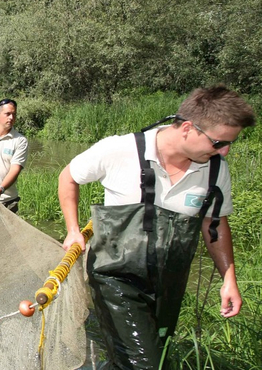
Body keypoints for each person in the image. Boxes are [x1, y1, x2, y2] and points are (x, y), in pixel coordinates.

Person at [58, 85, 254, 369]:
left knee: (152, 354)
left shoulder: (215, 168)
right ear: (188, 128)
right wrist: (73, 229)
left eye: (229, 144)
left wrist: (229, 278)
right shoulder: (120, 149)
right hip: (115, 279)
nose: (224, 152)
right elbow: (69, 176)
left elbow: (214, 221)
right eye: (218, 143)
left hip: (170, 282)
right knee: (145, 365)